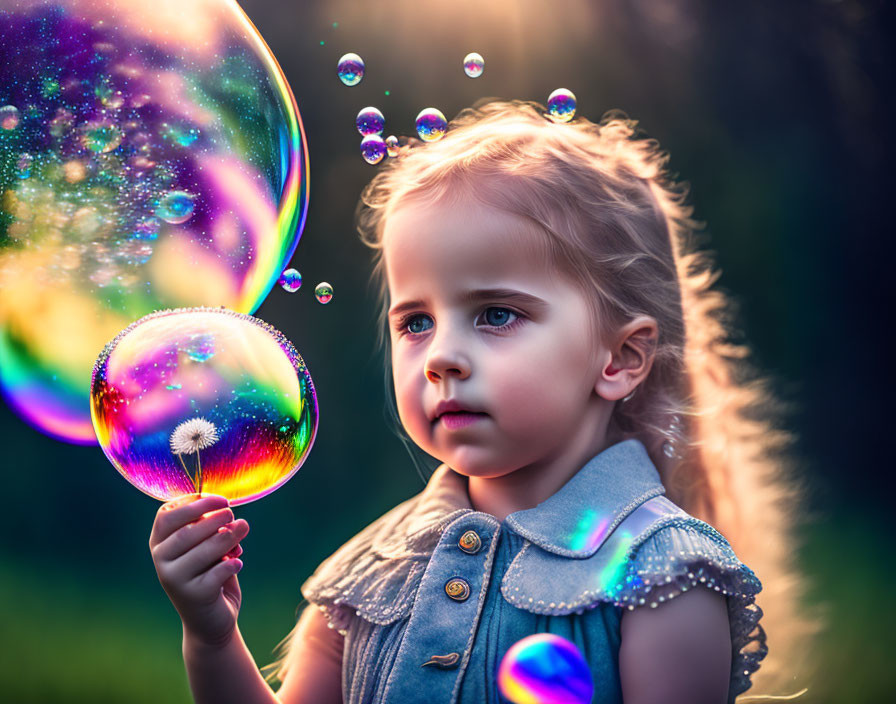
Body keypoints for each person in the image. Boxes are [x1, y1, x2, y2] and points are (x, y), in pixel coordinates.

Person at [149, 99, 821, 703]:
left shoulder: (664, 579)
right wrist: (211, 638)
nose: (440, 355)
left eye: (497, 314)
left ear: (620, 358)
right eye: (416, 322)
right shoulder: (365, 576)